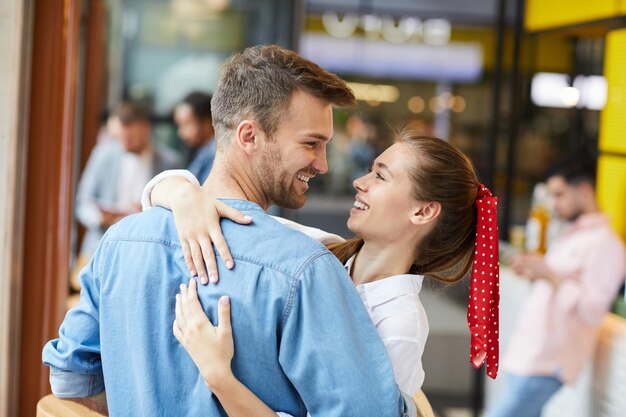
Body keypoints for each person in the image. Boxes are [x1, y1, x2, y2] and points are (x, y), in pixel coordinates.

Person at [43, 45, 416, 417]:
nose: (321, 164)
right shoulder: (306, 271)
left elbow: (69, 379)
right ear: (249, 136)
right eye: (310, 143)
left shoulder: (119, 243)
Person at [142, 132, 501, 417]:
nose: (360, 181)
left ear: (423, 211)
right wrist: (185, 197)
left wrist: (219, 375)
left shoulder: (400, 325)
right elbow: (181, 196)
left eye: (380, 175)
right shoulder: (318, 253)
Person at [484, 154, 626, 417]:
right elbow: (558, 284)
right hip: (527, 355)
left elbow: (594, 310)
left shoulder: (606, 245)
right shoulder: (573, 233)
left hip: (548, 362)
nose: (553, 204)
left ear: (583, 190)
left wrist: (550, 274)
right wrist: (536, 271)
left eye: (559, 194)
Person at [71, 101, 182, 289]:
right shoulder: (103, 155)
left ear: (146, 129)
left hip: (146, 251)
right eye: (120, 138)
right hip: (99, 247)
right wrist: (99, 217)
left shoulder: (169, 161)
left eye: (130, 138)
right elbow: (82, 202)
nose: (125, 144)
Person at [174, 91, 216, 183]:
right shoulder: (202, 151)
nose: (180, 132)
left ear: (207, 122)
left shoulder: (216, 156)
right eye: (179, 125)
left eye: (186, 124)